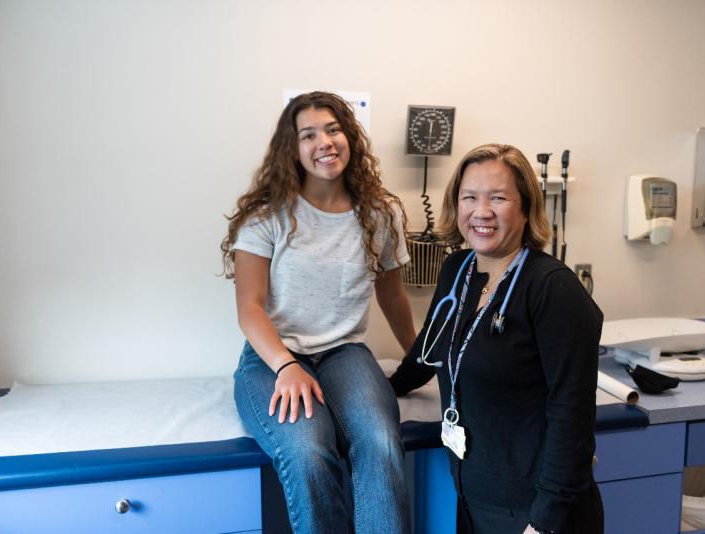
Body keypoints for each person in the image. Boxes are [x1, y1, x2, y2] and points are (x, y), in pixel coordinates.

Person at [221, 91, 414, 534]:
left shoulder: (380, 215)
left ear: (350, 137)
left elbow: (393, 298)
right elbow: (249, 309)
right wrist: (286, 365)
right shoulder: (267, 217)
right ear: (293, 149)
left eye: (333, 129)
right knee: (309, 452)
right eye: (308, 135)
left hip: (345, 354)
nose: (324, 142)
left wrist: (422, 360)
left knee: (381, 443)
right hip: (273, 359)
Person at [390, 144, 604, 534]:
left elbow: (572, 416)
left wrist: (544, 520)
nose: (481, 211)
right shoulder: (459, 269)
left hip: (535, 511)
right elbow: (431, 347)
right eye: (469, 197)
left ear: (526, 209)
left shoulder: (552, 289)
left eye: (498, 198)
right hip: (474, 498)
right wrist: (387, 389)